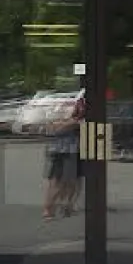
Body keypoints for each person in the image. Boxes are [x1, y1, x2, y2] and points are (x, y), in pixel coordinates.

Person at [41, 92, 85, 220]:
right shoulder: (65, 114)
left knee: (72, 180)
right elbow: (56, 128)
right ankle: (49, 208)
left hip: (71, 149)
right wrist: (73, 122)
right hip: (64, 150)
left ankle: (66, 206)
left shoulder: (70, 114)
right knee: (59, 181)